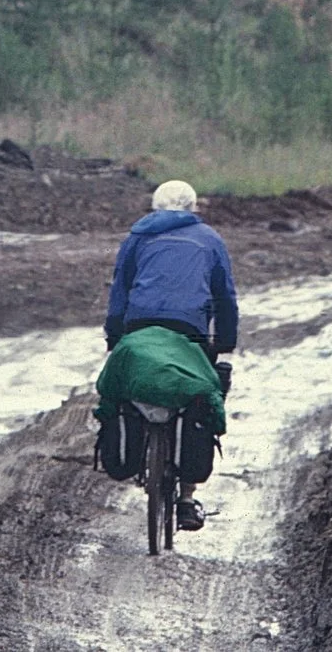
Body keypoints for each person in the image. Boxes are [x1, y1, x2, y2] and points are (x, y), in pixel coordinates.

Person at [103, 178, 238, 531]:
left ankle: (134, 450)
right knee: (199, 399)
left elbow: (120, 290)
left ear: (154, 207)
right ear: (194, 207)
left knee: (126, 391)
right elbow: (225, 298)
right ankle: (187, 499)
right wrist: (225, 344)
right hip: (190, 331)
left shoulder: (137, 237)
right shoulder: (210, 239)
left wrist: (115, 337)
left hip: (140, 328)